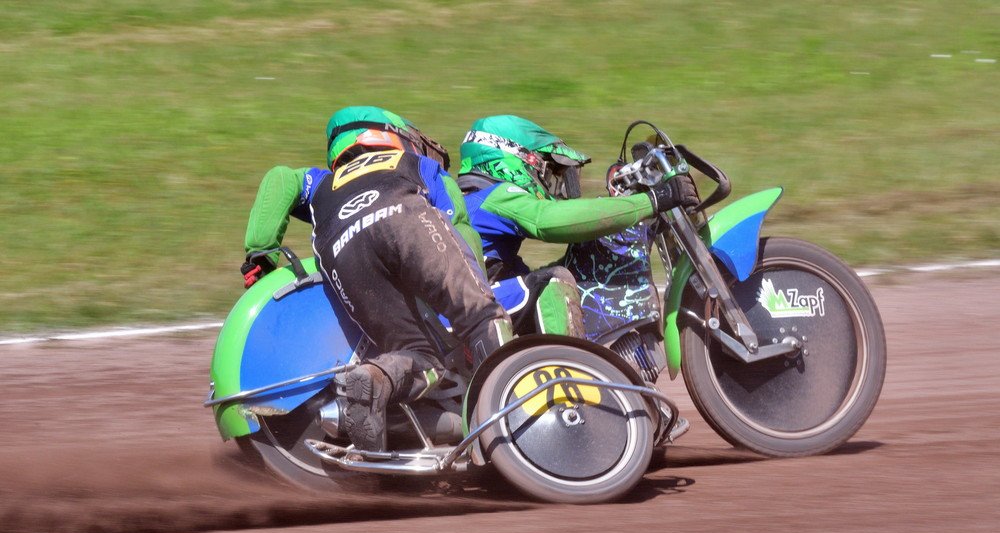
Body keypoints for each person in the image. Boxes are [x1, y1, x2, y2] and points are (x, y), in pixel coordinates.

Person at [241, 106, 512, 453]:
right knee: (479, 315)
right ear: (384, 135)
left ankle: (373, 379)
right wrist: (478, 283)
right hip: (408, 219)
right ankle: (513, 422)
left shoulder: (320, 181)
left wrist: (260, 251)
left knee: (417, 353)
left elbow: (280, 178)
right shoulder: (420, 166)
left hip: (340, 248)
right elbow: (457, 224)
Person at [457, 115, 699, 336]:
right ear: (523, 161)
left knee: (551, 279)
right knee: (554, 283)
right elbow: (547, 220)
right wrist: (652, 201)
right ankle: (565, 374)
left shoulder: (475, 202)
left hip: (465, 309)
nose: (551, 185)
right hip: (463, 315)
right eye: (549, 173)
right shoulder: (492, 196)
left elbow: (521, 276)